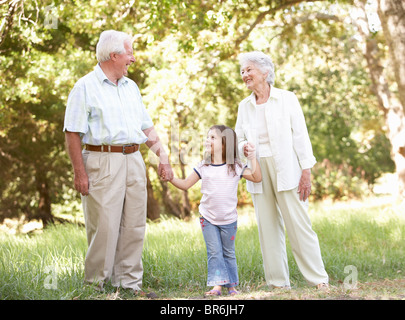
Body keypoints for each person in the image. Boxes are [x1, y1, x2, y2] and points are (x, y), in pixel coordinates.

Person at [63, 30, 173, 296]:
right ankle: (95, 287)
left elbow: (146, 127)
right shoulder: (85, 87)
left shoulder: (131, 86)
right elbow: (72, 133)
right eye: (129, 53)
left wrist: (164, 156)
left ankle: (129, 285)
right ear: (114, 56)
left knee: (134, 224)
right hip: (102, 160)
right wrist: (80, 173)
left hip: (133, 159)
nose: (133, 59)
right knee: (105, 226)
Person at [235, 51, 329, 290]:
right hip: (257, 169)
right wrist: (243, 146)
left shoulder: (287, 99)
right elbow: (238, 139)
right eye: (243, 71)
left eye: (249, 70)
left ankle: (318, 279)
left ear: (265, 72)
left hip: (287, 167)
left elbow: (301, 135)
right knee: (267, 227)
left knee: (299, 225)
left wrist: (306, 170)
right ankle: (278, 283)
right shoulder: (244, 106)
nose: (244, 74)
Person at [167, 125, 261, 296]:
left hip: (229, 220)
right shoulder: (204, 166)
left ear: (225, 144)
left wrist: (252, 158)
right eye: (207, 137)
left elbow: (256, 177)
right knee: (214, 252)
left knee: (228, 253)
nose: (207, 140)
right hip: (208, 218)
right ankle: (217, 286)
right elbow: (185, 184)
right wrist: (170, 177)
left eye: (212, 138)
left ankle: (232, 286)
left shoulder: (235, 166)